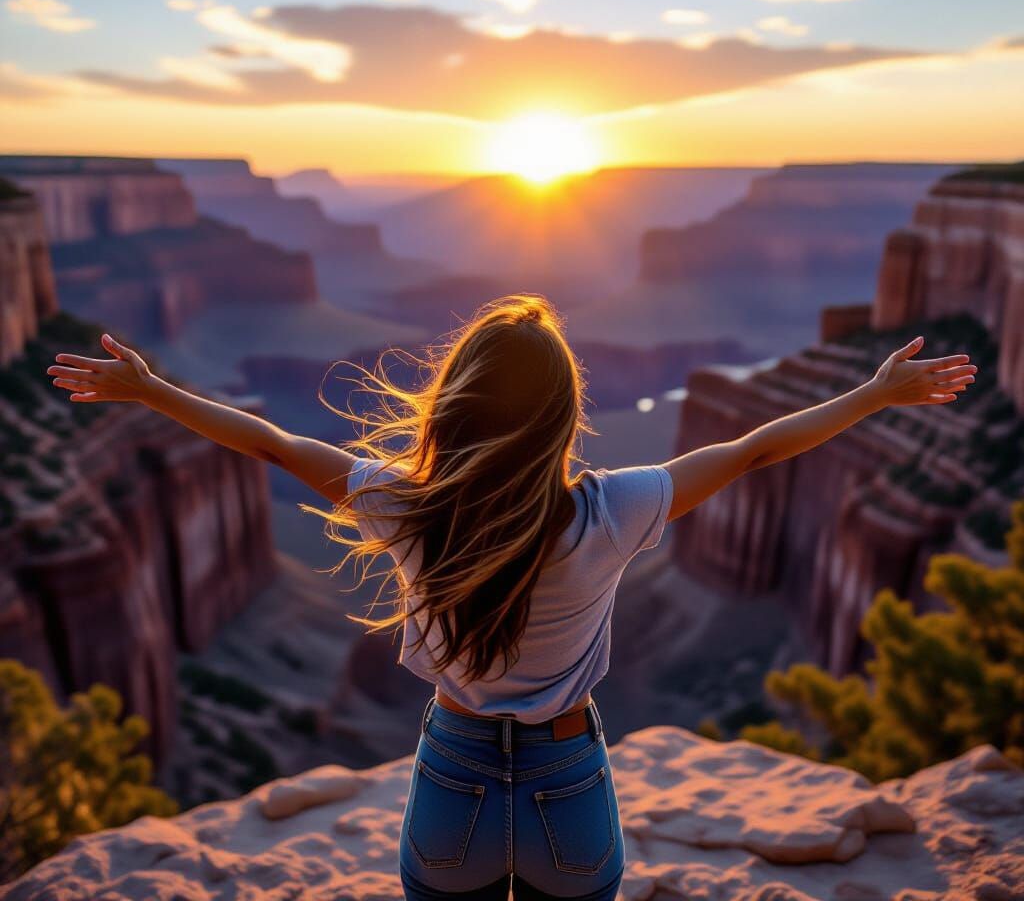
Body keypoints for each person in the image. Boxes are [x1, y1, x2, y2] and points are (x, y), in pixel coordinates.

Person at [47, 295, 976, 900]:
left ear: (453, 403)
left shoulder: (403, 505)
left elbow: (271, 446)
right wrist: (874, 394)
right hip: (565, 776)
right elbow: (754, 451)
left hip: (452, 767)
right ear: (566, 417)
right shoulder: (617, 508)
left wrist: (152, 390)